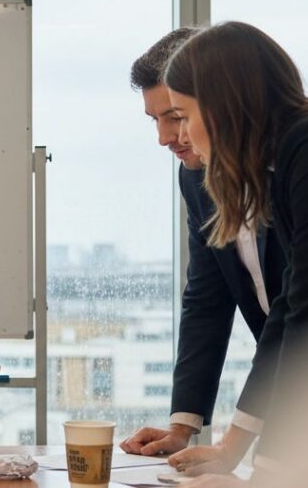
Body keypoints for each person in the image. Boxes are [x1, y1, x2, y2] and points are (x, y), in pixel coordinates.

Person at [164, 20, 308, 483]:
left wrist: (268, 482)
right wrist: (234, 448)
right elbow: (290, 306)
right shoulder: (294, 152)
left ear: (223, 106)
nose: (182, 134)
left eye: (184, 114)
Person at [119, 28, 285, 458]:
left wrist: (235, 449)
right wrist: (183, 424)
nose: (165, 137)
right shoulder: (195, 176)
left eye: (175, 116)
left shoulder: (300, 161)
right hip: (297, 373)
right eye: (155, 120)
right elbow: (207, 295)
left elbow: (303, 308)